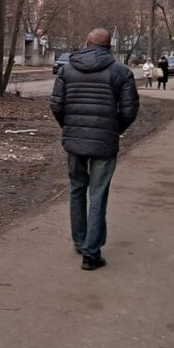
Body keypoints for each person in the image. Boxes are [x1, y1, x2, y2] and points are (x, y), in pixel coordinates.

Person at [50, 28, 140, 271]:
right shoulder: (121, 72)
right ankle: (91, 253)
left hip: (75, 140)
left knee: (77, 189)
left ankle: (80, 240)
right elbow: (130, 110)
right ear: (109, 47)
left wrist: (70, 128)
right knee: (98, 194)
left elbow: (56, 105)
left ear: (87, 43)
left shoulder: (67, 69)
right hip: (104, 143)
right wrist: (113, 129)